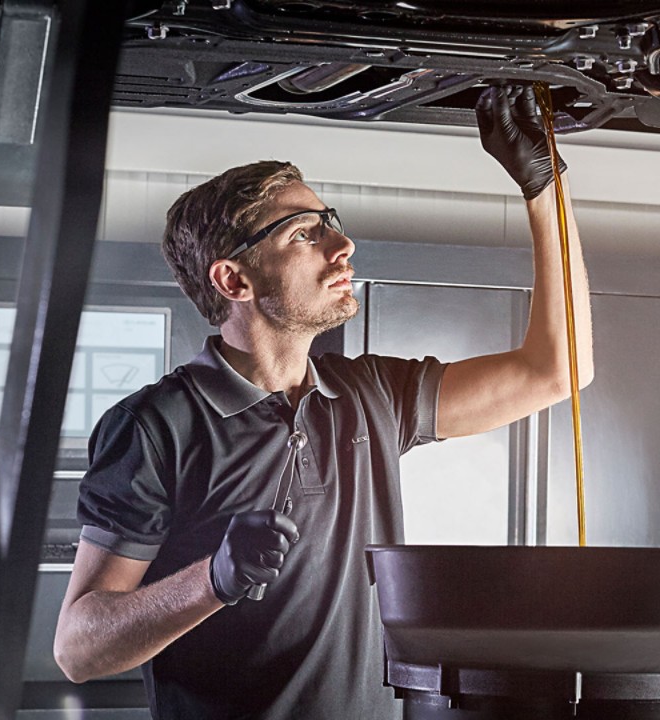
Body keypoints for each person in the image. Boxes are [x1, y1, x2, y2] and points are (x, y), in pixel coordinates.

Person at [53, 84, 593, 718]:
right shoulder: (156, 426)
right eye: (303, 234)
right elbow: (79, 648)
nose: (343, 248)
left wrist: (543, 185)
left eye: (331, 225)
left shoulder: (372, 395)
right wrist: (214, 579)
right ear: (234, 279)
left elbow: (558, 370)